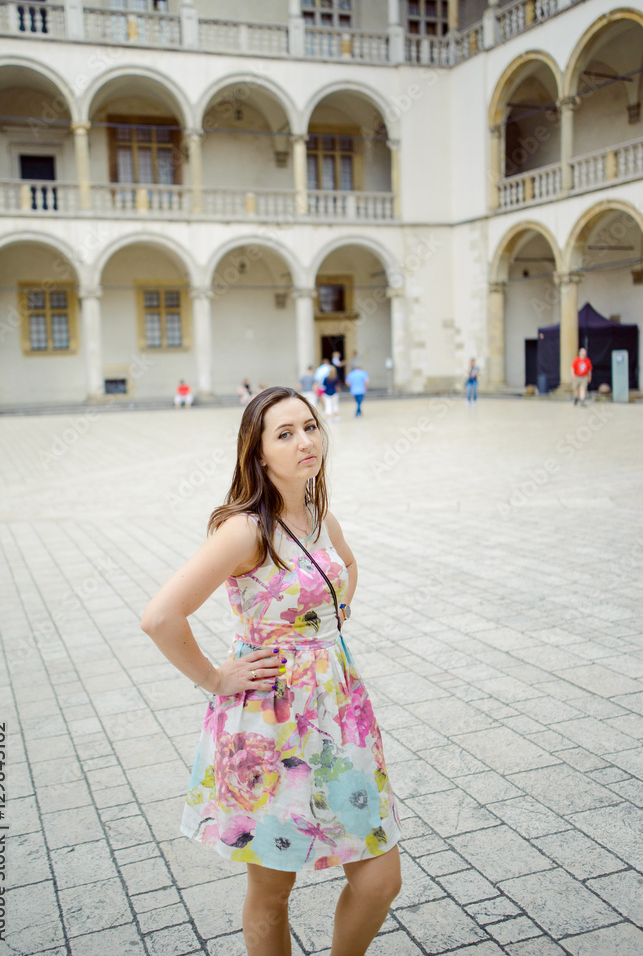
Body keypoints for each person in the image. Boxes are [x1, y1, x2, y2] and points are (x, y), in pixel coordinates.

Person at [141, 387, 402, 956]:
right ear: (257, 454)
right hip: (269, 724)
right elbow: (161, 617)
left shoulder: (318, 514)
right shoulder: (244, 530)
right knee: (272, 886)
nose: (305, 441)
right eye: (285, 434)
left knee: (381, 879)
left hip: (340, 712)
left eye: (310, 427)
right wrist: (216, 678)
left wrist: (331, 619)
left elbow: (347, 565)